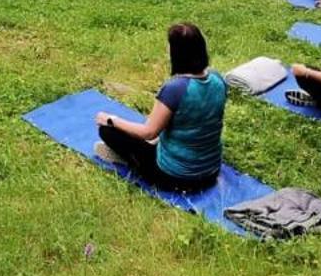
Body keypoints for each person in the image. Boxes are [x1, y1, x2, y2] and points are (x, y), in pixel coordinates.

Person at [91, 22, 226, 191]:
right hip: (211, 172)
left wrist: (111, 120)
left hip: (174, 177)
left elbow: (149, 132)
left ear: (177, 53)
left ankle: (128, 159)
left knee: (107, 131)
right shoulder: (218, 79)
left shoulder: (175, 89)